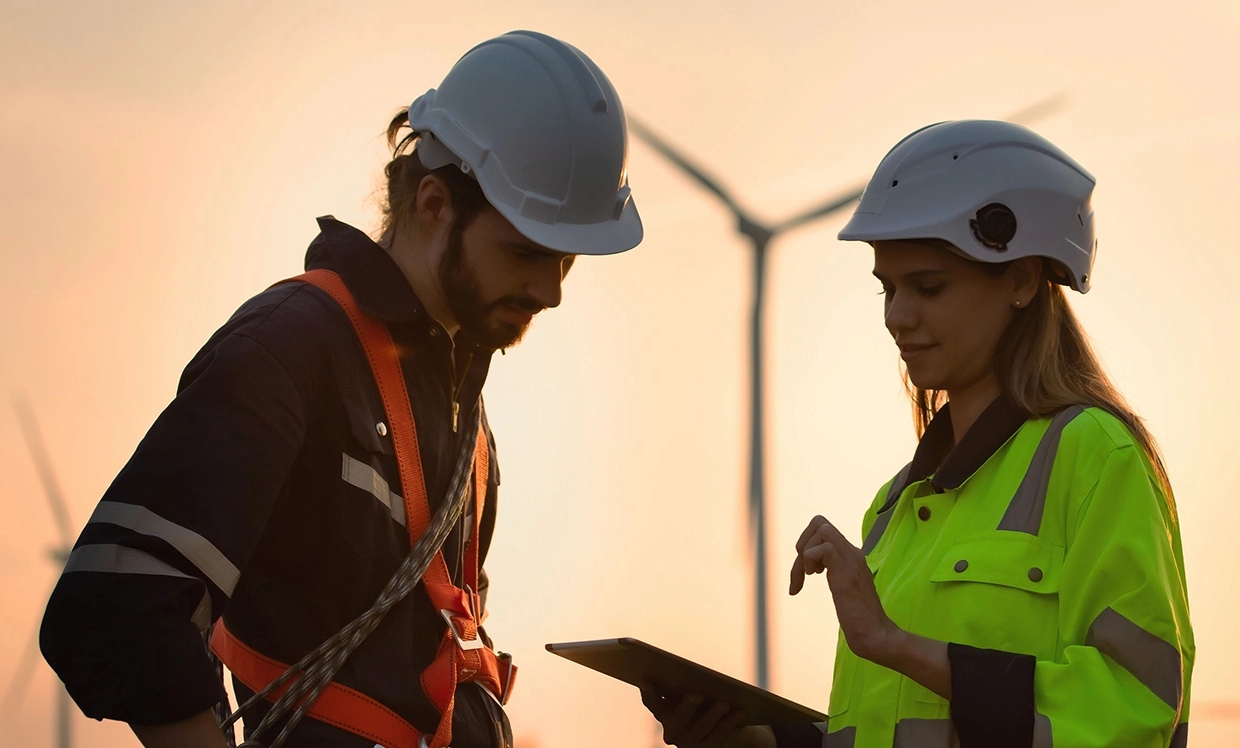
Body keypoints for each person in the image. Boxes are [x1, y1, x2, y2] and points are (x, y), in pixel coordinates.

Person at [40, 30, 642, 748]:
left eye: (567, 261)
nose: (550, 291)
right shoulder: (291, 349)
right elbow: (115, 604)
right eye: (524, 253)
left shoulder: (466, 418)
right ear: (433, 204)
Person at [641, 120, 1193, 748]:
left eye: (928, 287)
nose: (897, 317)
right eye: (888, 288)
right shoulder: (894, 505)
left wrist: (892, 644)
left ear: (1019, 280)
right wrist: (748, 741)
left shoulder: (1096, 454)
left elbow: (1135, 708)